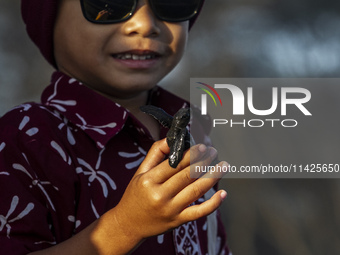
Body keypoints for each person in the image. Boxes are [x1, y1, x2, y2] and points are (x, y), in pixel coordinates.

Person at [0, 0, 230, 254]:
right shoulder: (25, 137)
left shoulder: (194, 129)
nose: (144, 25)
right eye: (108, 3)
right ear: (49, 17)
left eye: (170, 3)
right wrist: (124, 227)